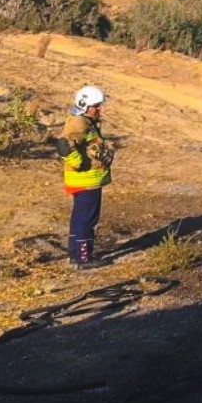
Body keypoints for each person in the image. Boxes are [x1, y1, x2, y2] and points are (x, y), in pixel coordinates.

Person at [54, 85, 114, 270]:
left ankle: (76, 255)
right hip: (86, 180)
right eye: (96, 106)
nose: (99, 109)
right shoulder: (79, 123)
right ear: (85, 105)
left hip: (86, 180)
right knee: (87, 220)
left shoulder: (85, 121)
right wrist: (79, 162)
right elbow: (63, 144)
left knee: (80, 218)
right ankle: (83, 258)